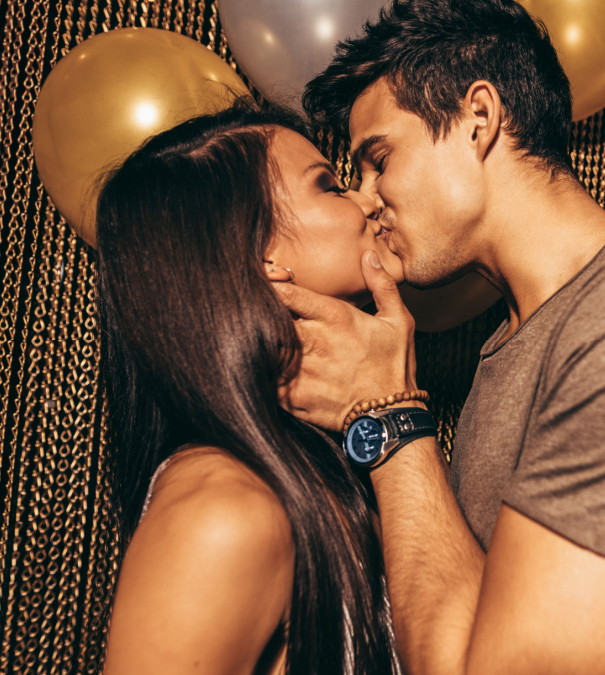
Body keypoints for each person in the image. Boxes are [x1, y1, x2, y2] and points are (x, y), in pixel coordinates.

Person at [275, 0, 605, 673]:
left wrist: (390, 419)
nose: (365, 197)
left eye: (378, 159)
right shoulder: (510, 343)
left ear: (479, 119)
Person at [95, 101, 403, 675]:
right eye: (331, 186)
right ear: (259, 258)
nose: (367, 199)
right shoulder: (224, 514)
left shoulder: (309, 466)